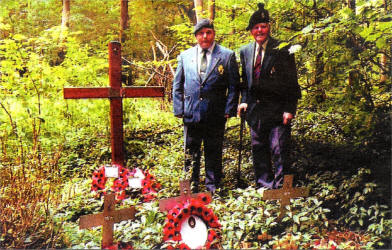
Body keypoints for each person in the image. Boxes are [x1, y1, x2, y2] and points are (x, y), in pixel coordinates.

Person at [237, 3, 301, 190]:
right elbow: (245, 81)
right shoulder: (245, 51)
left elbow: (292, 81)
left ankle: (282, 189)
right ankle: (264, 187)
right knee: (259, 150)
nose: (260, 30)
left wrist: (290, 108)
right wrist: (243, 102)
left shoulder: (282, 48)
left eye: (263, 26)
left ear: (269, 27)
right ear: (251, 31)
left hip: (277, 110)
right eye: (256, 27)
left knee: (279, 150)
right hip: (255, 111)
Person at [173, 19, 240, 194]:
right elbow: (178, 84)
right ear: (196, 36)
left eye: (208, 32)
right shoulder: (185, 56)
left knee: (213, 151)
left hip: (216, 114)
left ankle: (213, 188)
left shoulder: (226, 55)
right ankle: (191, 186)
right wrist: (179, 109)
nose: (205, 36)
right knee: (190, 152)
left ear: (214, 34)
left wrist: (229, 110)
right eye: (201, 33)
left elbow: (234, 86)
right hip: (191, 113)